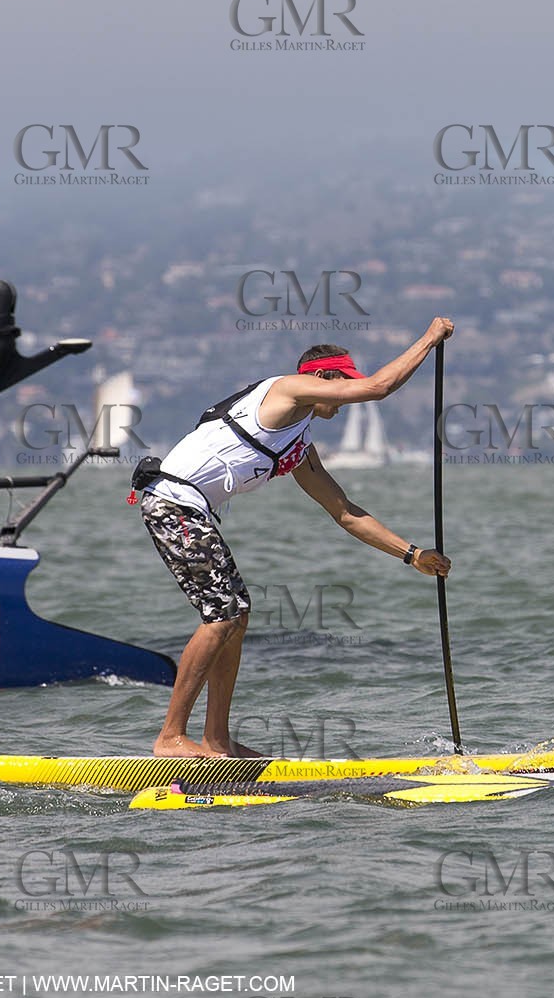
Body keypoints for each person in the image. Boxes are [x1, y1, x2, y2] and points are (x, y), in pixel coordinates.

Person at [134, 319, 455, 757]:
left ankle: (216, 740)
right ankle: (170, 737)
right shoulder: (285, 389)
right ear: (320, 377)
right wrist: (429, 338)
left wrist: (412, 554)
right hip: (172, 503)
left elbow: (345, 513)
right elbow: (379, 387)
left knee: (236, 616)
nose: (344, 399)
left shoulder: (298, 444)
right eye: (343, 383)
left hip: (191, 510)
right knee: (222, 614)